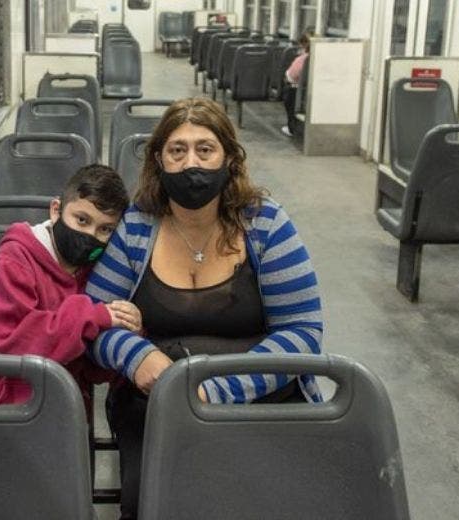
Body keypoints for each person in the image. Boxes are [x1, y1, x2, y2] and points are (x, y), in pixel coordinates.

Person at [85, 97, 325, 519]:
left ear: (229, 159)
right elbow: (95, 317)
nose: (190, 162)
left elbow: (303, 330)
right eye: (177, 150)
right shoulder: (137, 227)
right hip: (157, 398)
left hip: (260, 392)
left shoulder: (265, 223)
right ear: (159, 159)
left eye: (205, 149)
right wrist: (139, 358)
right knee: (153, 503)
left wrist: (213, 390)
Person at [0, 164, 140, 409]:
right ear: (56, 210)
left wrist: (127, 329)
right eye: (81, 220)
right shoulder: (14, 260)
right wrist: (93, 316)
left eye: (105, 229)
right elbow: (17, 344)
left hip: (49, 397)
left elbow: (92, 364)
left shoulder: (99, 271)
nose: (90, 235)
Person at [281, 31, 313, 138]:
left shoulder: (301, 59)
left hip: (295, 91)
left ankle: (291, 127)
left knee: (288, 90)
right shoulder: (317, 58)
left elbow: (291, 75)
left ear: (303, 45)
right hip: (309, 90)